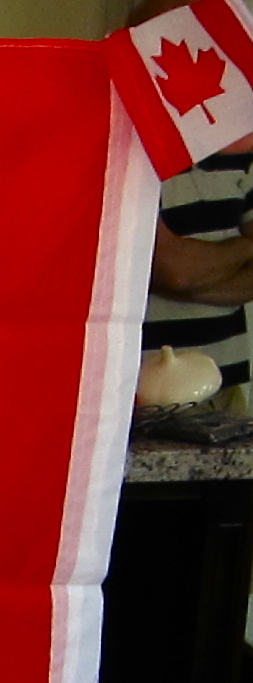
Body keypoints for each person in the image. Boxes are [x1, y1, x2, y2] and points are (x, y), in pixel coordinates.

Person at [134, 0, 253, 411]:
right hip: (142, 392)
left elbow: (179, 273)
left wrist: (193, 268)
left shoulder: (241, 148)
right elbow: (173, 269)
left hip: (227, 383)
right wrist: (245, 249)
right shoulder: (131, 153)